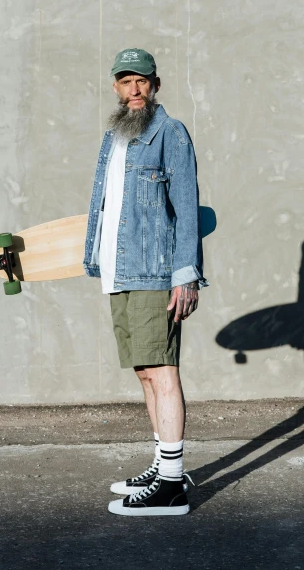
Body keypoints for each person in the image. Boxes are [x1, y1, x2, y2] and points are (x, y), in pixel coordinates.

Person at [83, 48, 208, 516]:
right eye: (125, 81)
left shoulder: (170, 133)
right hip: (120, 269)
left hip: (156, 271)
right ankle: (162, 464)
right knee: (143, 371)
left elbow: (188, 209)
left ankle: (172, 485)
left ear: (156, 85)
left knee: (162, 368)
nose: (134, 90)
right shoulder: (113, 137)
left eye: (142, 81)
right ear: (115, 87)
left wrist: (186, 274)